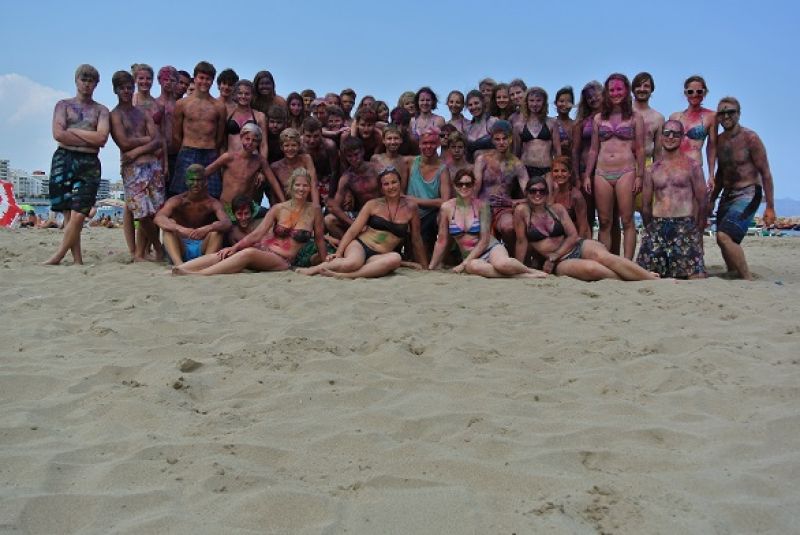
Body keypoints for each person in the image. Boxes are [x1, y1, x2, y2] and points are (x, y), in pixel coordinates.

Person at [173, 168, 325, 275]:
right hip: (265, 248)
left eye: (305, 185)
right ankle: (180, 268)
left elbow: (319, 240)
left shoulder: (315, 210)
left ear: (310, 188)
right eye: (297, 185)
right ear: (291, 186)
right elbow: (258, 233)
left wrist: (325, 261)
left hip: (283, 259)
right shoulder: (278, 208)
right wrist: (235, 247)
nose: (301, 189)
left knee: (248, 253)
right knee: (226, 253)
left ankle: (200, 274)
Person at [515, 177, 658, 281]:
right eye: (533, 191)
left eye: (542, 191)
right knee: (592, 269)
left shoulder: (557, 209)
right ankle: (637, 276)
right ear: (526, 193)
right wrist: (519, 268)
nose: (537, 194)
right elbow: (521, 242)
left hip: (576, 246)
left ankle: (650, 279)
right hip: (559, 262)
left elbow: (572, 235)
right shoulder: (522, 212)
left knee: (604, 257)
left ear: (547, 194)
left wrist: (555, 254)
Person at [298, 166, 427, 278]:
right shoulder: (372, 204)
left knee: (395, 258)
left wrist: (424, 265)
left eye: (394, 182)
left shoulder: (411, 207)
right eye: (386, 184)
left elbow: (416, 238)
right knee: (352, 263)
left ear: (400, 183)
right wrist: (339, 253)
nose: (391, 187)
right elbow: (353, 230)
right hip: (360, 245)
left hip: (380, 254)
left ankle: (346, 276)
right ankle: (314, 269)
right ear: (381, 188)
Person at [45, 64, 110, 266]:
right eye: (84, 79)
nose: (87, 84)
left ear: (96, 84)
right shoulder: (63, 105)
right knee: (67, 212)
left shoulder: (101, 110)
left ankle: (58, 256)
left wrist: (72, 132)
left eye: (91, 81)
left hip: (89, 161)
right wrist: (89, 136)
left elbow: (101, 138)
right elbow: (58, 134)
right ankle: (77, 260)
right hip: (64, 158)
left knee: (80, 213)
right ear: (76, 81)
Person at [430, 169, 545, 278]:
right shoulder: (447, 207)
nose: (464, 187)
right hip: (471, 257)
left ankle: (529, 271)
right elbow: (442, 240)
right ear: (455, 186)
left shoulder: (482, 206)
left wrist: (463, 264)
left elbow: (484, 240)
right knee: (474, 266)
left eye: (468, 184)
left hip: (490, 247)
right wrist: (432, 266)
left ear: (473, 185)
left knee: (502, 264)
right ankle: (520, 276)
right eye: (460, 184)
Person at [710, 97, 776, 280]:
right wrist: (712, 199)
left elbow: (766, 173)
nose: (726, 116)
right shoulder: (719, 141)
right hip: (727, 193)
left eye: (730, 112)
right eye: (722, 113)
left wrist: (770, 207)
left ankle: (747, 278)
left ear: (738, 114)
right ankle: (733, 272)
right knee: (722, 239)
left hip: (748, 192)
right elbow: (721, 173)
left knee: (724, 236)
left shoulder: (750, 138)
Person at [583, 73, 645, 260]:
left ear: (626, 91)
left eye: (619, 89)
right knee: (604, 221)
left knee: (627, 220)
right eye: (611, 90)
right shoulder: (599, 118)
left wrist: (640, 176)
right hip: (602, 172)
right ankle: (605, 261)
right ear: (606, 92)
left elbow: (640, 149)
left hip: (626, 171)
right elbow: (594, 149)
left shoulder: (635, 118)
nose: (615, 93)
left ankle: (627, 262)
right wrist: (587, 175)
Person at [637, 120, 706, 279]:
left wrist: (697, 230)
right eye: (667, 133)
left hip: (684, 225)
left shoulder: (692, 166)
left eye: (675, 134)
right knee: (647, 274)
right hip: (658, 225)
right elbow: (646, 205)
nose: (670, 137)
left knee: (695, 276)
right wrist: (650, 229)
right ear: (661, 137)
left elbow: (702, 201)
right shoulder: (652, 169)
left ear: (682, 138)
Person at [110, 70, 165, 262]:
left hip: (153, 166)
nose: (126, 91)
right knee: (141, 212)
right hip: (133, 170)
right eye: (122, 88)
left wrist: (136, 151)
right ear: (115, 90)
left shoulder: (142, 113)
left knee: (155, 211)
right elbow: (124, 143)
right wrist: (146, 141)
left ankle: (142, 253)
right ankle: (158, 247)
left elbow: (158, 140)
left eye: (129, 87)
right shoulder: (115, 115)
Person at [155, 163, 231, 264]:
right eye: (192, 180)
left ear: (205, 181)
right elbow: (159, 217)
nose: (195, 183)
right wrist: (180, 228)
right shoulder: (177, 200)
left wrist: (208, 228)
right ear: (186, 181)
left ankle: (205, 264)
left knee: (217, 229)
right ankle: (179, 265)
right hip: (180, 245)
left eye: (199, 180)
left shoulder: (213, 203)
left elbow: (227, 222)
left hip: (203, 246)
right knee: (169, 226)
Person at [171, 61, 227, 199]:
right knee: (182, 194)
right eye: (201, 78)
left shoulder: (219, 107)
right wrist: (184, 150)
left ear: (212, 81)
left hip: (210, 153)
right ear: (195, 78)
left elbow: (220, 136)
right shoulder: (182, 104)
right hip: (187, 151)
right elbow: (176, 134)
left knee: (211, 194)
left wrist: (212, 149)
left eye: (208, 79)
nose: (204, 82)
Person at [207, 122, 280, 221]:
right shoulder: (228, 157)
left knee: (271, 216)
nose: (250, 143)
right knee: (228, 226)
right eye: (247, 139)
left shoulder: (259, 160)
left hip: (247, 209)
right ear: (241, 138)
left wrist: (284, 202)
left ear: (258, 143)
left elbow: (273, 182)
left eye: (254, 140)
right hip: (227, 207)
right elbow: (206, 172)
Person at [474, 120, 529, 248]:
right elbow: (475, 189)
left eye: (505, 139)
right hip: (483, 206)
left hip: (504, 208)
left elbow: (530, 194)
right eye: (497, 139)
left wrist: (513, 202)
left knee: (508, 227)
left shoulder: (517, 164)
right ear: (492, 140)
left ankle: (511, 254)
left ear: (510, 139)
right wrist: (474, 208)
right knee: (483, 237)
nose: (501, 142)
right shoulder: (482, 159)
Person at [404, 128, 451, 254]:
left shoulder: (442, 169)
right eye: (425, 143)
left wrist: (417, 200)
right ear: (419, 144)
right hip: (410, 212)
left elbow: (445, 201)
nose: (428, 146)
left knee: (442, 217)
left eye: (432, 143)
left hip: (431, 215)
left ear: (438, 144)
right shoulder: (410, 163)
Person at [325, 137, 382, 237]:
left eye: (356, 154)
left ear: (362, 152)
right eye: (349, 156)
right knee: (329, 220)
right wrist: (353, 224)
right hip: (363, 215)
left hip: (383, 211)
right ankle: (351, 243)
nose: (354, 159)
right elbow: (335, 207)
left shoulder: (376, 168)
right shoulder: (347, 178)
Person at [669, 75, 717, 184]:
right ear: (685, 93)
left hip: (694, 169)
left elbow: (712, 147)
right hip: (674, 169)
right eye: (690, 92)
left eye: (699, 91)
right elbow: (667, 146)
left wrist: (711, 175)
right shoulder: (674, 117)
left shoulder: (711, 116)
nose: (695, 95)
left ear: (704, 92)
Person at [514, 87, 561, 192]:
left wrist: (558, 171)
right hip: (525, 169)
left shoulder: (552, 123)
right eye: (531, 100)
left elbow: (557, 151)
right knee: (528, 198)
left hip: (546, 169)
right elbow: (516, 152)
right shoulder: (519, 125)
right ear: (526, 102)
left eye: (538, 100)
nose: (535, 104)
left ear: (544, 102)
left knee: (548, 199)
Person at [572, 81, 603, 232]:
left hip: (607, 170)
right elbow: (575, 151)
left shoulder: (612, 118)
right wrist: (577, 177)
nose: (593, 99)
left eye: (596, 95)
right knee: (587, 215)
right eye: (589, 98)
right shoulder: (582, 122)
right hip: (586, 172)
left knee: (608, 217)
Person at [270, 128, 320, 205]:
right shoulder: (275, 167)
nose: (290, 149)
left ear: (299, 146)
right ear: (281, 147)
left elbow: (314, 184)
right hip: (288, 205)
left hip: (308, 203)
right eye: (286, 145)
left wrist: (316, 206)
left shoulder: (306, 159)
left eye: (293, 145)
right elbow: (274, 194)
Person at [225, 80, 268, 158]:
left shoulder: (259, 116)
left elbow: (263, 145)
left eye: (247, 94)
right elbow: (222, 142)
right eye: (240, 93)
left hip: (252, 161)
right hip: (231, 160)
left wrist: (263, 162)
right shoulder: (228, 113)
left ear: (252, 95)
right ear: (235, 94)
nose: (243, 96)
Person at [302, 117, 339, 206]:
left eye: (316, 136)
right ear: (303, 134)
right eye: (308, 136)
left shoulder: (329, 146)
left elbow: (335, 172)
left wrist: (330, 196)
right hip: (308, 180)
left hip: (327, 180)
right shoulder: (299, 145)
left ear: (321, 133)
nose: (312, 140)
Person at [550, 156, 590, 239]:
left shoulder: (576, 196)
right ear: (552, 173)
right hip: (559, 237)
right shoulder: (554, 193)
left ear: (570, 173)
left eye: (563, 171)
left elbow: (583, 226)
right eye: (556, 171)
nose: (559, 174)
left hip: (575, 237)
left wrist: (578, 244)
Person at [371, 125, 410, 189]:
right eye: (389, 138)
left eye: (396, 138)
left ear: (401, 140)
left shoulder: (406, 161)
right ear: (383, 140)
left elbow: (403, 189)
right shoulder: (375, 159)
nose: (393, 142)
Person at [465, 89, 498, 162]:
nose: (473, 107)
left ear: (483, 103)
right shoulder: (467, 128)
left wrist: (481, 153)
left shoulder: (492, 122)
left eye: (476, 103)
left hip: (493, 165)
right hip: (473, 167)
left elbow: (502, 148)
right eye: (470, 105)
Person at [554, 86, 575, 158]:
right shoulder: (551, 123)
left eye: (568, 101)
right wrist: (560, 145)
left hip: (574, 162)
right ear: (556, 103)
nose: (565, 104)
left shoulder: (576, 124)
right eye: (561, 101)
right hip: (556, 163)